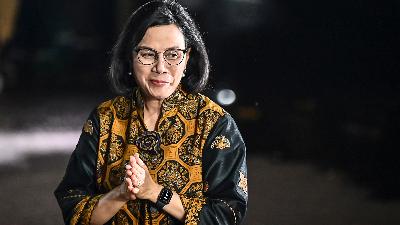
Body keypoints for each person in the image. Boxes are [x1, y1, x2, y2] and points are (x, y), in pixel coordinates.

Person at [54, 0, 248, 224]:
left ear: (187, 58)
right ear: (129, 56)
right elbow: (73, 206)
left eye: (173, 54)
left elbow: (227, 214)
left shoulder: (215, 123)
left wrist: (154, 191)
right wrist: (121, 194)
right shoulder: (106, 117)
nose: (160, 67)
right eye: (147, 54)